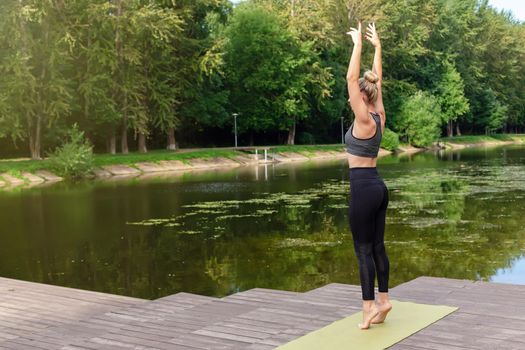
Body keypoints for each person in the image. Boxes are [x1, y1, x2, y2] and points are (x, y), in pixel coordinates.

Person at [345, 21, 392, 329]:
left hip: (362, 190)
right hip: (378, 186)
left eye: (355, 94)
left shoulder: (363, 118)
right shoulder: (379, 115)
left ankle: (368, 309)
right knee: (377, 246)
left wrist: (358, 44)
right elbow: (378, 80)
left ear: (362, 96)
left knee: (362, 250)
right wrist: (378, 49)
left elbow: (351, 76)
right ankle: (384, 301)